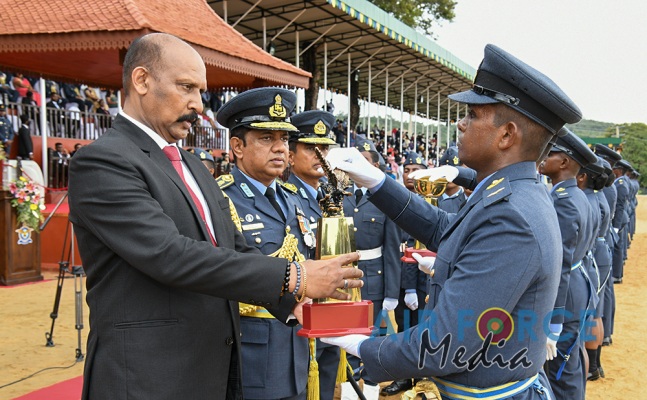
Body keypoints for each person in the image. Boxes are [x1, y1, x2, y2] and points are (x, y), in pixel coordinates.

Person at [67, 33, 362, 400]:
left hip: (211, 371)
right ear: (141, 80)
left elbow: (233, 247)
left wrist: (292, 303)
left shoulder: (190, 164)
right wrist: (295, 275)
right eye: (186, 87)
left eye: (201, 92)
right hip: (148, 378)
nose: (197, 104)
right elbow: (169, 255)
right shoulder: (103, 160)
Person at [323, 44, 583, 399]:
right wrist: (378, 182)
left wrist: (363, 346)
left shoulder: (511, 215)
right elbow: (446, 230)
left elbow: (443, 344)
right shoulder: (513, 193)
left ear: (507, 135)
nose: (461, 123)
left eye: (473, 115)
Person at [215, 87, 312, 400]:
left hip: (296, 346)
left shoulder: (291, 198)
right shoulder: (222, 199)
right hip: (251, 352)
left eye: (284, 139)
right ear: (237, 147)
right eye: (267, 138)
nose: (280, 148)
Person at [341, 135, 401, 400]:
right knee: (347, 339)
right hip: (344, 278)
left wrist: (391, 292)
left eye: (364, 160)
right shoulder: (339, 195)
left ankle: (372, 391)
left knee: (372, 340)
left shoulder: (385, 199)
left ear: (375, 166)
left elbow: (392, 249)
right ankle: (350, 393)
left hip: (373, 280)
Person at [538, 128, 596, 400]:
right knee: (569, 361)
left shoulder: (564, 201)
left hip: (566, 293)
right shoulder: (575, 195)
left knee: (560, 371)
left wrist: (554, 321)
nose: (543, 157)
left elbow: (560, 263)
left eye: (550, 153)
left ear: (564, 162)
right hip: (576, 286)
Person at [287, 109, 340, 400]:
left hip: (332, 306)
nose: (320, 155)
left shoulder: (331, 196)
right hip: (300, 311)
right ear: (291, 155)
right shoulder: (285, 197)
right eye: (310, 148)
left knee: (327, 377)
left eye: (325, 148)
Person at [381, 151, 429, 397]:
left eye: (416, 170)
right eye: (407, 170)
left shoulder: (433, 202)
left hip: (429, 281)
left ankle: (424, 377)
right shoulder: (398, 201)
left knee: (427, 331)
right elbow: (397, 246)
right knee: (403, 330)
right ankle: (403, 376)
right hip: (404, 277)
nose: (410, 175)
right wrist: (405, 287)